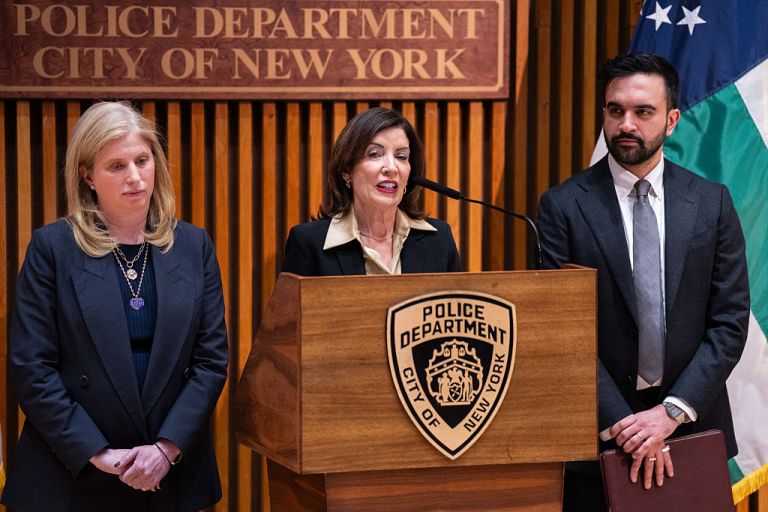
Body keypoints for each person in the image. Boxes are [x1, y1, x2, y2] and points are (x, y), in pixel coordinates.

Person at [537, 53, 750, 511]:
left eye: (643, 112)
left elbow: (730, 324)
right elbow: (559, 333)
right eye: (615, 110)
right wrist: (626, 427)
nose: (626, 124)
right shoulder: (562, 207)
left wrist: (669, 414)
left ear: (672, 120)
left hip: (691, 431)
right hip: (597, 440)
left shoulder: (711, 203)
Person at [1, 102, 229, 511]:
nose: (135, 177)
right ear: (87, 175)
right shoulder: (53, 249)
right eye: (117, 166)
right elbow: (31, 367)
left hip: (168, 474)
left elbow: (211, 361)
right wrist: (99, 453)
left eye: (142, 160)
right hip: (73, 475)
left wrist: (164, 448)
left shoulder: (194, 246)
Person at [283, 107, 462, 276]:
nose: (391, 168)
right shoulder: (308, 242)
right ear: (347, 171)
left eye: (401, 157)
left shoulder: (439, 239)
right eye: (374, 154)